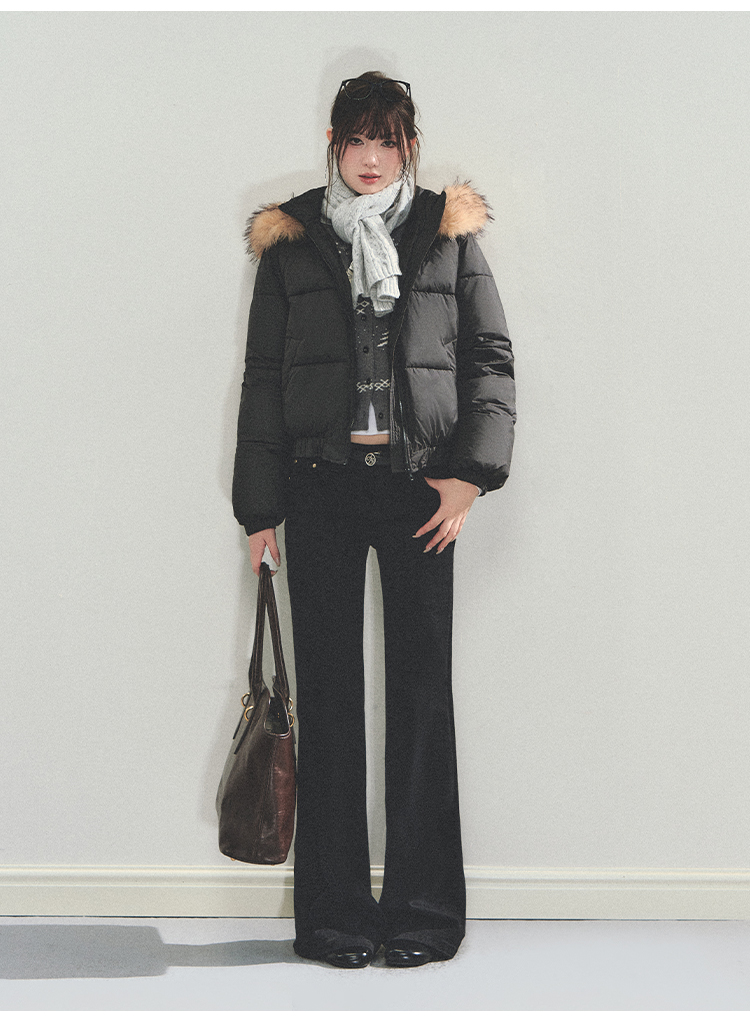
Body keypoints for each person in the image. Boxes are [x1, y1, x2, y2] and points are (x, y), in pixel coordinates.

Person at [232, 72, 515, 969]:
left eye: (386, 141)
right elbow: (263, 379)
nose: (370, 157)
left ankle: (425, 912)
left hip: (420, 491)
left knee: (422, 694)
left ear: (408, 147)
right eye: (356, 139)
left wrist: (470, 477)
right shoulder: (291, 240)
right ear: (333, 142)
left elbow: (489, 357)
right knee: (328, 695)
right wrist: (259, 509)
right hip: (318, 487)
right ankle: (334, 916)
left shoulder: (446, 231)